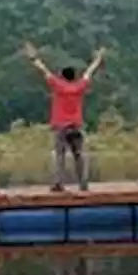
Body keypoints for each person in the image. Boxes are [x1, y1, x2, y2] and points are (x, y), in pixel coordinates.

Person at [23, 42, 105, 191]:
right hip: (76, 126)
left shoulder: (58, 85)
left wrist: (33, 58)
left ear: (62, 76)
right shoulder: (79, 86)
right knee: (79, 156)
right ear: (74, 77)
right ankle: (83, 184)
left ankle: (59, 183)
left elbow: (44, 70)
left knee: (60, 156)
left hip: (61, 126)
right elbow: (89, 72)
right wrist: (98, 59)